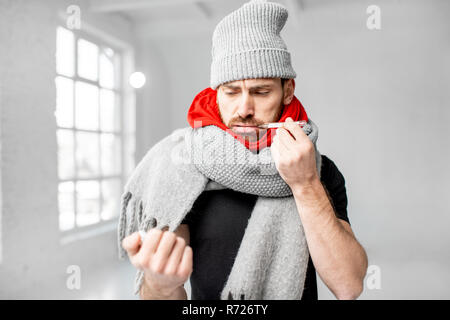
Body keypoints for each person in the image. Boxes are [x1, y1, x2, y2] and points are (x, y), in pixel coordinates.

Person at [120, 0, 368, 300]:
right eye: (231, 92)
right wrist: (158, 285)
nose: (244, 109)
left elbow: (349, 285)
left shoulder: (318, 170)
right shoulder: (183, 168)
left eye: (261, 92)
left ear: (287, 91)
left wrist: (305, 184)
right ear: (216, 93)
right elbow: (164, 295)